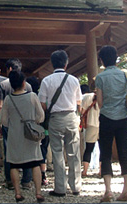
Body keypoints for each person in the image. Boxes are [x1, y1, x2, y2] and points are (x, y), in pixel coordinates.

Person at [38, 50, 82, 197]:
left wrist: (50, 110)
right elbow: (78, 102)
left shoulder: (46, 81)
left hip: (55, 118)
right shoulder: (74, 80)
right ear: (66, 63)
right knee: (74, 152)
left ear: (52, 63)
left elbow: (42, 103)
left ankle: (60, 188)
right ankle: (76, 187)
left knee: (57, 152)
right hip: (71, 116)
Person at [95, 45, 127, 202]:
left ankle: (108, 191)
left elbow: (100, 102)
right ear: (116, 58)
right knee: (124, 151)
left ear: (102, 60)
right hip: (123, 118)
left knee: (105, 153)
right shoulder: (125, 76)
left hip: (106, 118)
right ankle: (126, 189)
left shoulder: (101, 77)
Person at [0, 70, 45, 202]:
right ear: (24, 83)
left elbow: (3, 121)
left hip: (14, 135)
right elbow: (41, 116)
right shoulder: (32, 96)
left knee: (14, 164)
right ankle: (38, 193)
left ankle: (18, 193)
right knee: (35, 162)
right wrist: (32, 121)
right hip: (30, 134)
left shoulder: (8, 99)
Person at [0, 58, 33, 190]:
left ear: (10, 69)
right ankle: (26, 181)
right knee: (27, 150)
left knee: (9, 152)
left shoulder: (3, 85)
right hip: (25, 123)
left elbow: (0, 106)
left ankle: (10, 181)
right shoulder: (27, 86)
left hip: (9, 124)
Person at [26, 76, 49, 186]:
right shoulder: (42, 97)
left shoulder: (27, 97)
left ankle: (30, 175)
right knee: (43, 150)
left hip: (30, 129)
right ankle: (43, 175)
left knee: (31, 151)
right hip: (44, 129)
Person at [80, 84, 100, 177]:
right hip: (103, 124)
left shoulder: (88, 96)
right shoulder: (105, 96)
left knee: (88, 148)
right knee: (103, 148)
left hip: (91, 124)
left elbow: (82, 111)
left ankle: (85, 171)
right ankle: (101, 170)